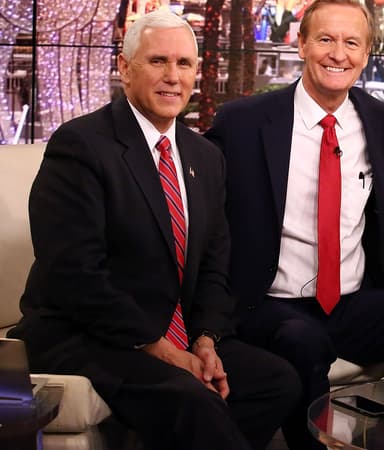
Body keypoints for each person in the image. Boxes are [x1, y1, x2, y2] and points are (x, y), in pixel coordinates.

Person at [7, 10, 300, 450]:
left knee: (277, 382)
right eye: (158, 61)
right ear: (125, 69)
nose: (173, 77)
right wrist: (160, 349)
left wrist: (205, 340)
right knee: (190, 399)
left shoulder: (204, 155)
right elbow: (75, 274)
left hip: (175, 330)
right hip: (87, 334)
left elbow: (217, 262)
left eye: (184, 64)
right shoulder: (81, 145)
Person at [204, 1, 384, 448]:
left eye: (351, 43)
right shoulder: (244, 122)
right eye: (325, 39)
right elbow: (202, 207)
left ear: (366, 54)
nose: (338, 54)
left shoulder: (374, 116)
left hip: (349, 301)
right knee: (303, 342)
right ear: (302, 44)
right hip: (271, 303)